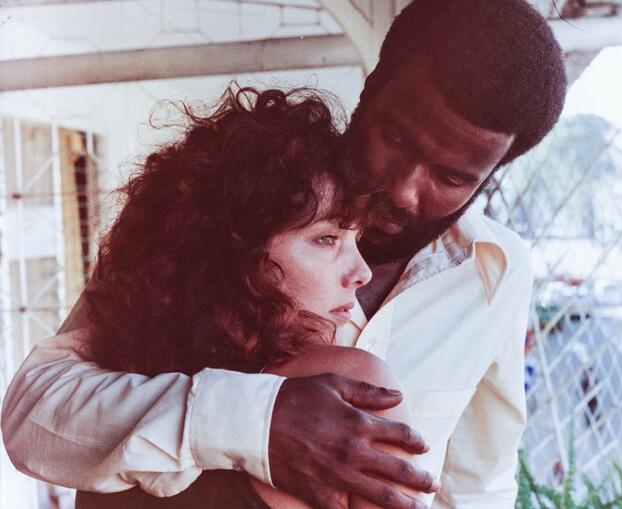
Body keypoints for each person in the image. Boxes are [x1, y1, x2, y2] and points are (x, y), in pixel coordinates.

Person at [1, 0, 567, 507]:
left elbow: (476, 487)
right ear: (370, 90)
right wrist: (257, 421)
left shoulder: (496, 275)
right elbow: (34, 418)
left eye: (450, 176)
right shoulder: (220, 214)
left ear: (492, 173)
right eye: (395, 138)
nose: (403, 189)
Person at [72, 85, 423, 509]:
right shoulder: (352, 386)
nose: (362, 273)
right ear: (235, 254)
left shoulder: (108, 414)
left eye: (356, 238)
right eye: (326, 239)